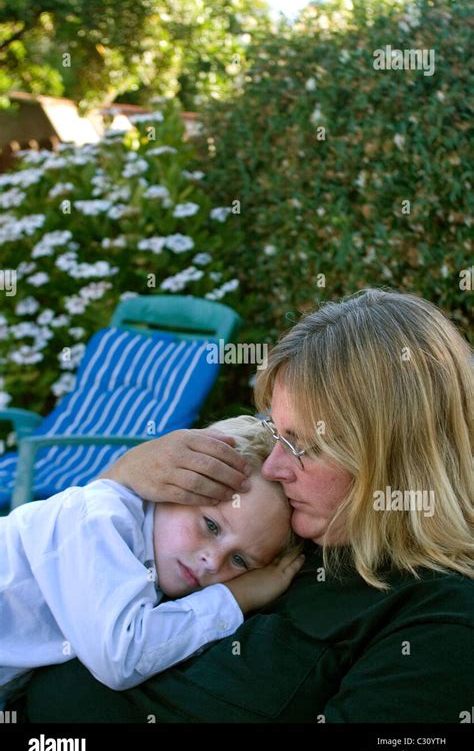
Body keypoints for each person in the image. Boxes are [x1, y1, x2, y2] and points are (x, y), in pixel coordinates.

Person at [21, 288, 474, 723]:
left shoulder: (439, 621)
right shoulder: (298, 522)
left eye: (302, 446)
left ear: (395, 459)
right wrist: (119, 480)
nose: (275, 467)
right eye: (277, 433)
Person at [0, 416, 304, 710]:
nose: (212, 561)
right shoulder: (101, 517)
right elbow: (119, 657)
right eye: (210, 526)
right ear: (176, 484)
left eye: (239, 560)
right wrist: (236, 597)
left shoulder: (153, 556)